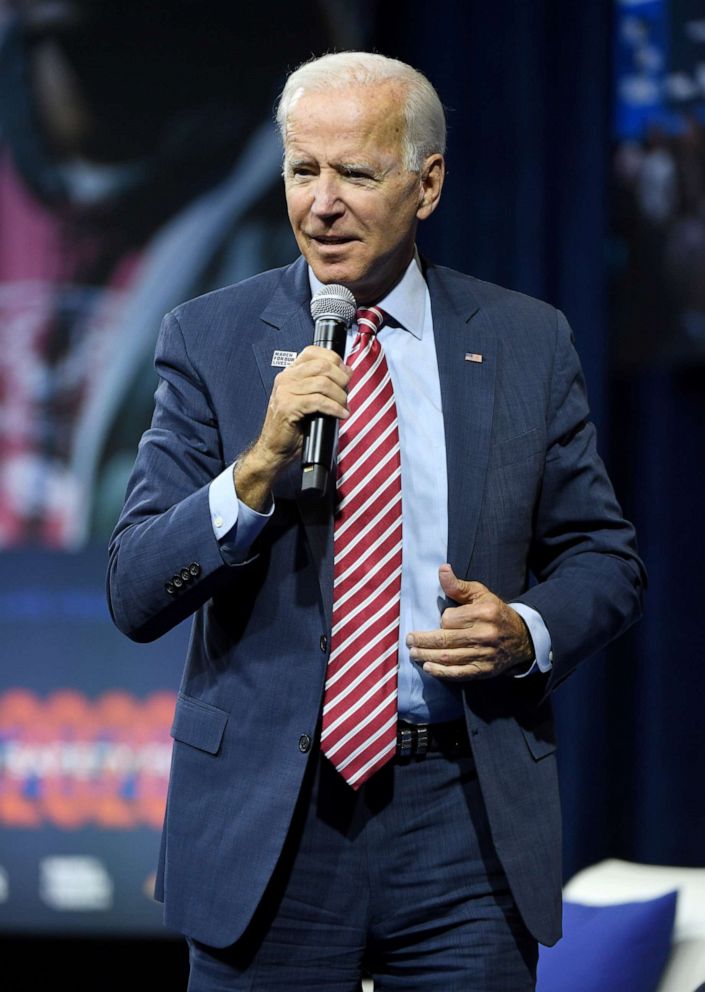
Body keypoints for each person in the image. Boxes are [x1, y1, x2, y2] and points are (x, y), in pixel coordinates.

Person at [107, 51, 646, 991]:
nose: (321, 203)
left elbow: (605, 557)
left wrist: (525, 630)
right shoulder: (208, 338)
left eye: (354, 173)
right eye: (302, 170)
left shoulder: (523, 341)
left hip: (462, 819)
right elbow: (136, 589)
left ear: (425, 184)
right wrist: (255, 473)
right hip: (271, 823)